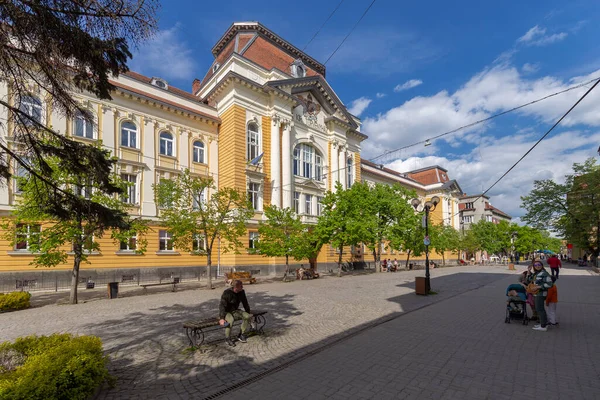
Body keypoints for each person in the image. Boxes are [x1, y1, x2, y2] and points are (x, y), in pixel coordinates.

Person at [219, 280, 253, 347]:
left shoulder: (242, 292)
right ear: (236, 287)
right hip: (227, 312)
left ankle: (241, 335)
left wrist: (248, 312)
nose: (242, 287)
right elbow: (222, 306)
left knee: (247, 316)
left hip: (236, 311)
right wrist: (222, 318)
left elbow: (245, 303)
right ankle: (227, 338)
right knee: (230, 321)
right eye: (241, 286)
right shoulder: (227, 293)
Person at [526, 259, 554, 332]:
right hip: (536, 293)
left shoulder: (544, 273)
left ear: (542, 265)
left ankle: (543, 326)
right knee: (538, 309)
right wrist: (529, 272)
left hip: (541, 294)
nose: (537, 266)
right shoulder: (536, 273)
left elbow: (550, 284)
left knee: (540, 309)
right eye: (535, 265)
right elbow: (529, 280)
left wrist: (538, 287)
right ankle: (542, 323)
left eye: (539, 265)